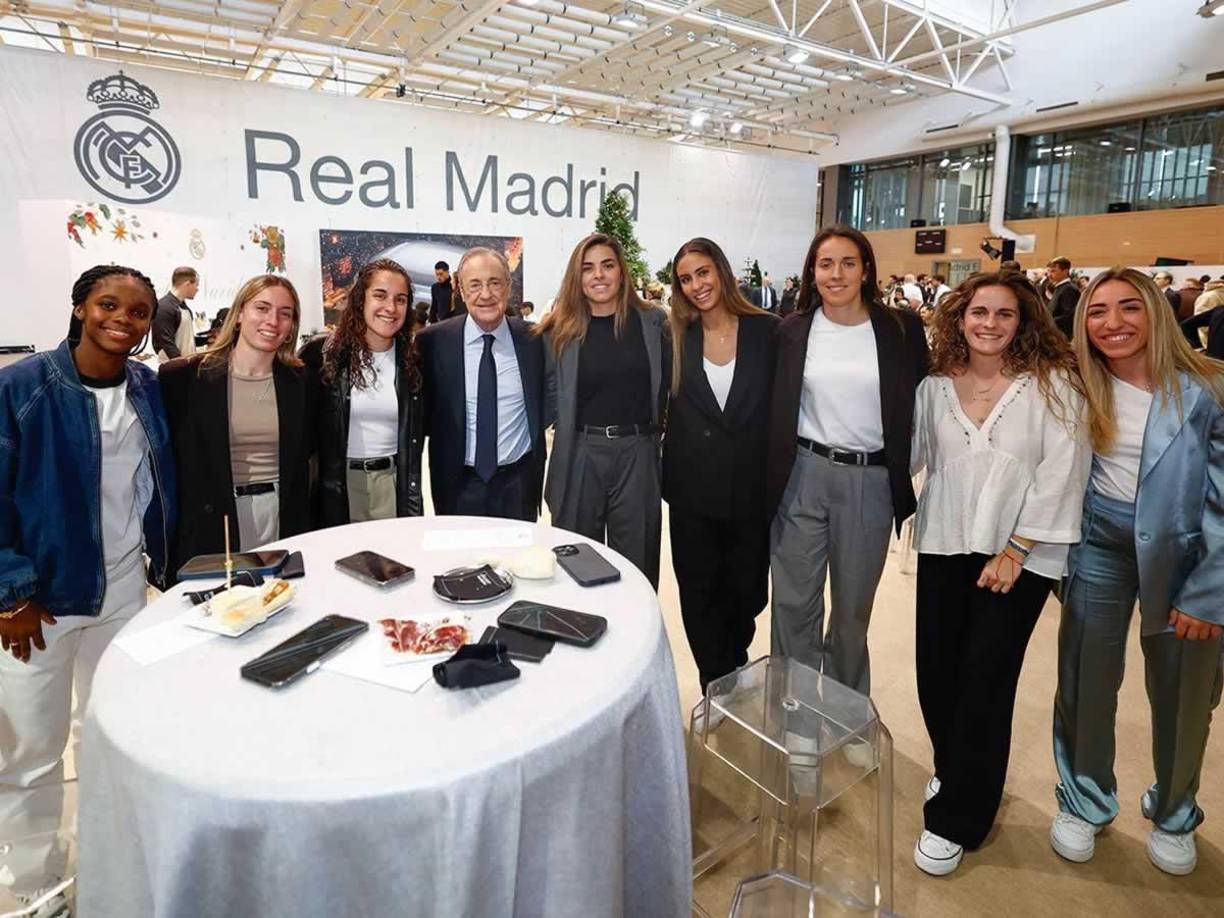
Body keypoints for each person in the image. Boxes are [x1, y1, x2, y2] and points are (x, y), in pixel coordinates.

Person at [0, 266, 176, 910]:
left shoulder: (146, 388)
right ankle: (34, 885)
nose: (122, 321)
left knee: (105, 734)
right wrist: (11, 593)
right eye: (108, 305)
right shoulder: (21, 387)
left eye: (137, 313)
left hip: (125, 593)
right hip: (40, 604)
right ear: (79, 308)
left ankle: (101, 853)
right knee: (30, 753)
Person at [910, 272, 1090, 876]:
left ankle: (959, 818)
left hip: (1017, 557)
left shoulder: (1053, 385)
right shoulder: (934, 388)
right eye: (978, 312)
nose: (989, 323)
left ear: (1024, 321)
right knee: (936, 671)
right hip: (943, 543)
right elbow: (914, 458)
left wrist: (1015, 548)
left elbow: (1064, 470)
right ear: (959, 317)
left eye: (1004, 314)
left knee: (985, 680)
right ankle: (954, 768)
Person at [1050, 267, 1224, 877]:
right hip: (1099, 545)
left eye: (1129, 307)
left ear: (1157, 311)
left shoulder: (1208, 388)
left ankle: (1175, 810)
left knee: (1183, 691)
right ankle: (1084, 798)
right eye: (1098, 312)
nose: (1113, 323)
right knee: (1086, 677)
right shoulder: (1075, 382)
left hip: (1187, 557)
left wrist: (1210, 595)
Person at [766, 225, 928, 695]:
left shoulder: (900, 329)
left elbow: (925, 399)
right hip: (802, 474)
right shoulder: (793, 330)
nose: (836, 274)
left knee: (853, 609)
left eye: (847, 263)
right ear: (812, 272)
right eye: (825, 264)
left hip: (870, 481)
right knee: (794, 602)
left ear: (866, 270)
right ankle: (793, 710)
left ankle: (844, 710)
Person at [662, 238, 778, 692]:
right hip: (693, 488)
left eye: (703, 273)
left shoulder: (768, 331)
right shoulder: (675, 333)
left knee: (747, 589)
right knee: (698, 589)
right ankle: (716, 678)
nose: (696, 286)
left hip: (751, 488)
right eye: (686, 279)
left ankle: (735, 656)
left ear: (722, 272)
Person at [537, 233, 670, 588]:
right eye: (588, 268)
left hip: (638, 453)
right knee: (577, 563)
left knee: (637, 565)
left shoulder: (654, 323)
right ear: (576, 278)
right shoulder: (558, 330)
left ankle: (636, 640)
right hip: (580, 452)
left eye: (607, 265)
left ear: (622, 272)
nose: (599, 275)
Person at [159, 275, 314, 564]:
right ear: (240, 313)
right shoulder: (184, 378)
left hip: (283, 516)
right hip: (215, 521)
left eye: (285, 313)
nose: (273, 320)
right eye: (262, 308)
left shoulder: (301, 382)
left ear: (293, 326)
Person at [417, 248, 546, 521]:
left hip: (518, 484)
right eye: (474, 285)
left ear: (508, 287)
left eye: (495, 283)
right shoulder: (431, 342)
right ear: (461, 292)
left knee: (517, 562)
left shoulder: (535, 339)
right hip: (457, 485)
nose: (485, 294)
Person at [300, 258, 424, 526]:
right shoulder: (321, 355)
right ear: (360, 300)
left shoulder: (414, 362)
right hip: (339, 486)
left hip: (394, 485)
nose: (390, 307)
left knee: (396, 563)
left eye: (400, 299)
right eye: (380, 295)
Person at [153, 266, 199, 360]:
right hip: (174, 369)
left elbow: (186, 340)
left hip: (185, 365)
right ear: (188, 284)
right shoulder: (164, 307)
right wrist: (182, 365)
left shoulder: (183, 307)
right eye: (196, 285)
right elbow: (166, 343)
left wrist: (206, 339)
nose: (197, 289)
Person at [1047, 257, 1079, 338]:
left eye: (1053, 271)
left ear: (1065, 271)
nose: (1049, 275)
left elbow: (1068, 316)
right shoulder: (1060, 287)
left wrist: (1047, 322)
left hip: (1062, 336)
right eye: (1049, 271)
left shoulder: (1068, 289)